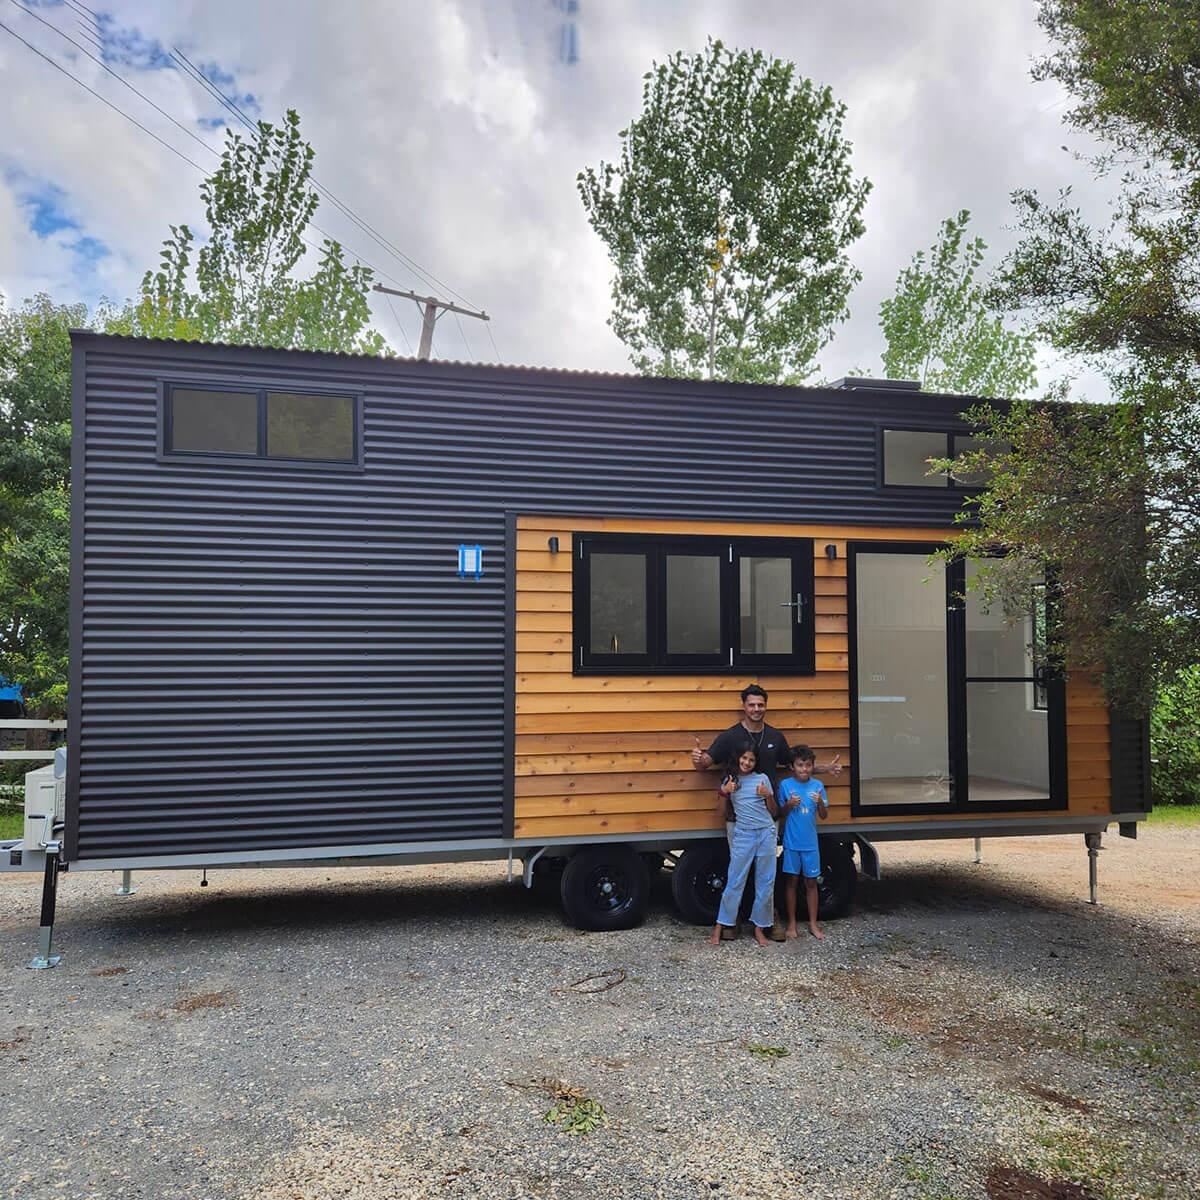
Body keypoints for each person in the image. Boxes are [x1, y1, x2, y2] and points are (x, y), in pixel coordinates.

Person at [708, 743, 779, 948]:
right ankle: (720, 926)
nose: (747, 763)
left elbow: (773, 812)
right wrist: (724, 792)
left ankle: (759, 927)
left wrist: (768, 795)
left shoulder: (762, 779)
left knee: (766, 882)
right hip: (744, 835)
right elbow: (720, 813)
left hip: (766, 832)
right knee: (735, 880)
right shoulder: (731, 781)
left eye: (751, 760)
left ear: (756, 762)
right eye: (744, 758)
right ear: (738, 758)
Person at [777, 744, 828, 940]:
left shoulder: (817, 786)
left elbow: (823, 816)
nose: (804, 769)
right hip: (792, 843)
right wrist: (789, 804)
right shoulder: (786, 785)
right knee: (791, 882)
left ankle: (813, 923)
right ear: (792, 766)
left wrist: (820, 803)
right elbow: (780, 813)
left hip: (811, 845)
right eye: (800, 765)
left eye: (808, 765)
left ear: (812, 766)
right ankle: (791, 923)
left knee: (811, 883)